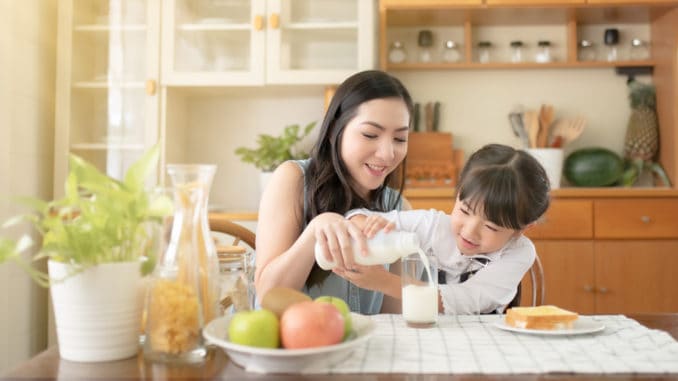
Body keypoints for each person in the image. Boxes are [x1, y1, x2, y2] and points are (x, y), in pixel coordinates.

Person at [254, 70, 415, 314]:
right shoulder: (293, 180)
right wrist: (315, 231)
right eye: (370, 134)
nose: (388, 154)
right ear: (334, 132)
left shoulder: (399, 208)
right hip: (292, 346)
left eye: (400, 139)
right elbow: (267, 297)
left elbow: (396, 320)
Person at [346, 143, 551, 314]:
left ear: (522, 229)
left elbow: (468, 299)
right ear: (458, 193)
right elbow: (354, 219)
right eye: (465, 211)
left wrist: (384, 282)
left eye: (491, 226)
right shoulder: (434, 225)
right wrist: (366, 223)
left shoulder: (519, 252)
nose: (469, 231)